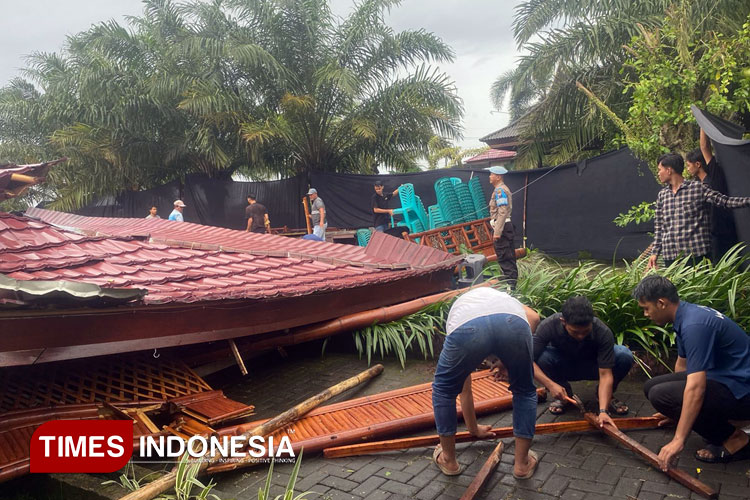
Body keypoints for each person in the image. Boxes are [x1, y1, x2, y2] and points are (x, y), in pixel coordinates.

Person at [635, 275, 750, 470]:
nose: (646, 314)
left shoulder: (694, 325)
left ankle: (735, 438)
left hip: (743, 390)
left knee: (660, 394)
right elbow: (683, 365)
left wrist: (679, 439)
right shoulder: (686, 314)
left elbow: (696, 387)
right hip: (727, 379)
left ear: (661, 303)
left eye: (646, 308)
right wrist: (675, 410)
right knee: (652, 386)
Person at [432, 287, 540, 479]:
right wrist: (474, 429)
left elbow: (463, 389)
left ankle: (449, 461)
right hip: (512, 322)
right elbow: (534, 318)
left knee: (444, 390)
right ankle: (522, 464)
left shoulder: (459, 313)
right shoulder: (505, 300)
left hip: (467, 327)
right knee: (524, 391)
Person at [533, 296, 634, 426]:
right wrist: (551, 385)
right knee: (542, 357)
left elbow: (605, 374)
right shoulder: (548, 325)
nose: (580, 336)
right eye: (575, 332)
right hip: (565, 365)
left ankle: (604, 397)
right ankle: (565, 396)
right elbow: (527, 360)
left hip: (593, 366)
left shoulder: (602, 331)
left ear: (592, 321)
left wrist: (603, 411)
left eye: (585, 331)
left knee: (624, 355)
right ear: (563, 321)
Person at [647, 153, 750, 269]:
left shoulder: (697, 188)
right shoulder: (663, 195)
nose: (658, 173)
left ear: (669, 170)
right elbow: (659, 226)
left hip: (697, 255)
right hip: (671, 257)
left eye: (660, 169)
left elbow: (724, 201)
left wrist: (747, 201)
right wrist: (655, 253)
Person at [683, 128, 739, 262]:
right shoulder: (696, 184)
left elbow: (704, 147)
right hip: (710, 234)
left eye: (688, 165)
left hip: (724, 230)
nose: (687, 169)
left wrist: (702, 123)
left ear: (698, 164)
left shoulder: (713, 175)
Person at [486, 166, 518, 288]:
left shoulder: (500, 191)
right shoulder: (499, 190)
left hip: (503, 227)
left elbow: (502, 212)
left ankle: (511, 287)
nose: (490, 176)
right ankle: (510, 285)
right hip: (504, 226)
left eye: (492, 174)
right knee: (506, 257)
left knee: (505, 257)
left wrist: (497, 232)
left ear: (498, 177)